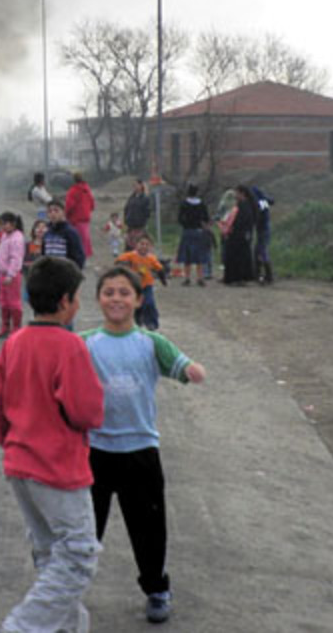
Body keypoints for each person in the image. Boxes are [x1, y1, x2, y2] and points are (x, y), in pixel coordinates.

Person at [80, 266, 207, 624]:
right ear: (98, 299)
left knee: (148, 527)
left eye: (124, 292)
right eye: (108, 292)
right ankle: (69, 591)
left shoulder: (152, 342)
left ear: (138, 299)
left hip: (140, 452)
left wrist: (193, 371)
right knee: (85, 529)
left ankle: (156, 589)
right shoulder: (84, 342)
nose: (116, 299)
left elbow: (182, 366)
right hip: (94, 452)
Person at [0, 257, 105, 633]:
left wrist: (12, 445)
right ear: (65, 301)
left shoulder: (16, 342)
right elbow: (86, 412)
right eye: (78, 297)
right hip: (58, 468)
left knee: (49, 553)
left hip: (20, 464)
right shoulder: (69, 346)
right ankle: (23, 627)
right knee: (78, 555)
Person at [116, 234, 167, 331]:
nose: (144, 246)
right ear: (136, 245)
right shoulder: (131, 255)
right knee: (137, 304)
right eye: (141, 244)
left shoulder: (151, 258)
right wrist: (123, 267)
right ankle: (138, 318)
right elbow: (119, 261)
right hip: (134, 285)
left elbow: (159, 269)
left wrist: (163, 280)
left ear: (150, 247)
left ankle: (152, 322)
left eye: (146, 244)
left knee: (149, 303)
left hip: (147, 284)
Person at [0, 212, 25, 339]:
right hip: (2, 274)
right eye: (2, 224)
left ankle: (16, 327)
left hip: (11, 276)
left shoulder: (17, 238)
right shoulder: (5, 236)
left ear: (13, 224)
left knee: (14, 303)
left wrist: (10, 275)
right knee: (4, 302)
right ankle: (5, 326)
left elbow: (16, 259)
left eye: (5, 223)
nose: (3, 227)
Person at [220, 185, 258, 285]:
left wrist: (233, 227)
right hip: (240, 234)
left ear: (242, 193)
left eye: (237, 193)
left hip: (240, 235)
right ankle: (235, 278)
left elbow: (243, 220)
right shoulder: (242, 205)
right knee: (237, 256)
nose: (236, 195)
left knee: (238, 257)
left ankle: (238, 278)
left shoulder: (245, 206)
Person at [176, 184, 210, 287]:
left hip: (187, 231)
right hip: (198, 231)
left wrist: (185, 224)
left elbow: (180, 218)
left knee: (187, 256)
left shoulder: (184, 204)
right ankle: (200, 278)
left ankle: (187, 278)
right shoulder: (201, 204)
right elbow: (206, 218)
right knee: (200, 256)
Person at [43, 200, 86, 269]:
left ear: (63, 212)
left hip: (65, 274)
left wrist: (72, 274)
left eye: (56, 210)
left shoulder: (70, 232)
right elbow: (43, 254)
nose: (53, 213)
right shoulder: (47, 232)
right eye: (50, 211)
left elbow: (79, 257)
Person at [64, 171, 96, 258]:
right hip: (85, 219)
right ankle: (84, 256)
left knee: (75, 240)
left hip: (75, 219)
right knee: (85, 239)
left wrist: (66, 214)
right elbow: (92, 204)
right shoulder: (87, 189)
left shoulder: (73, 191)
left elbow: (69, 206)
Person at [251, 185, 275, 285]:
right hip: (263, 229)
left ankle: (268, 276)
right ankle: (258, 274)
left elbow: (259, 215)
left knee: (262, 252)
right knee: (258, 251)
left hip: (264, 229)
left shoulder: (260, 203)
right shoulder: (263, 201)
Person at [124, 179, 153, 249]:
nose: (135, 187)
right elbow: (126, 209)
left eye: (136, 185)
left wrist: (142, 220)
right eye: (133, 185)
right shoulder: (131, 198)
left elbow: (147, 213)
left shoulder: (145, 199)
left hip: (140, 227)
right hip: (130, 227)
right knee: (129, 248)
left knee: (139, 247)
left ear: (141, 186)